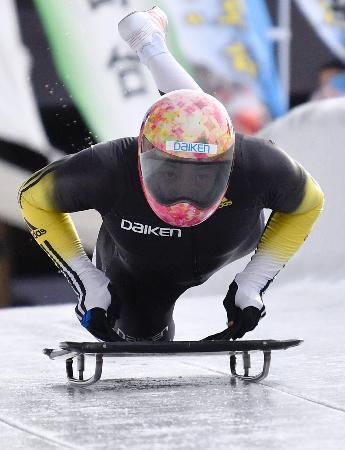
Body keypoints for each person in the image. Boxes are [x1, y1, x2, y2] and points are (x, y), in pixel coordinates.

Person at [18, 6, 324, 342]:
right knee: (141, 335)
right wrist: (87, 280)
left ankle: (152, 48)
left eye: (200, 177)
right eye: (171, 174)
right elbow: (33, 199)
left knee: (202, 122)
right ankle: (151, 47)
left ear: (229, 163)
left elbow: (309, 204)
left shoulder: (258, 163)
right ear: (142, 156)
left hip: (227, 240)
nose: (185, 198)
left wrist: (254, 280)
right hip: (137, 269)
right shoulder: (108, 167)